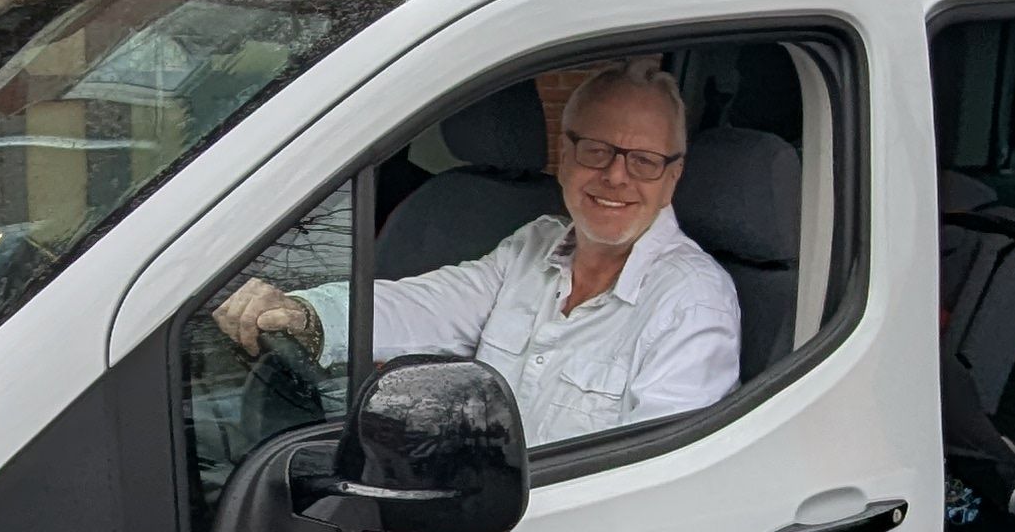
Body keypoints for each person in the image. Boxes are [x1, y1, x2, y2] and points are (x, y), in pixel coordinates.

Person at [211, 56, 741, 443]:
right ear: (566, 152)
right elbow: (429, 305)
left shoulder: (692, 303)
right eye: (597, 150)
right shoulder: (535, 246)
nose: (616, 176)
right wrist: (307, 314)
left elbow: (654, 479)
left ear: (673, 176)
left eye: (644, 160)